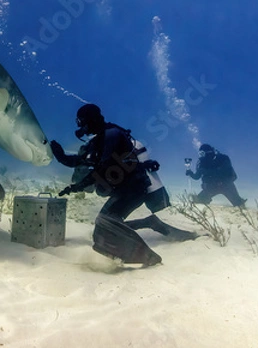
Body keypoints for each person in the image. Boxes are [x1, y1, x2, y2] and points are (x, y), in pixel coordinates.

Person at [50, 104, 197, 265]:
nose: (80, 127)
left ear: (89, 120)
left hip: (134, 189)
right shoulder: (97, 140)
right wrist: (61, 156)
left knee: (104, 222)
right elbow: (80, 161)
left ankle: (148, 257)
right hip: (123, 190)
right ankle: (149, 222)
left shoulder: (112, 135)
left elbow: (103, 167)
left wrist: (77, 186)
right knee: (106, 226)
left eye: (81, 122)